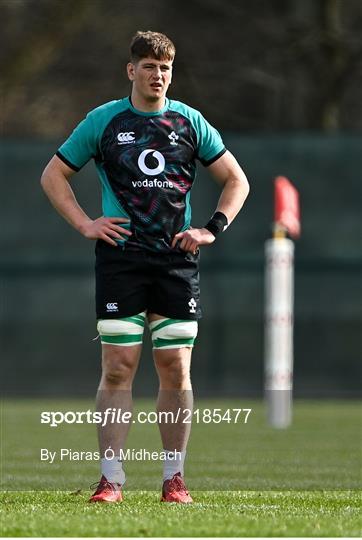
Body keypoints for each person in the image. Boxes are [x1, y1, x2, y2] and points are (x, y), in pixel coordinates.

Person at [40, 30, 249, 504]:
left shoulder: (190, 122)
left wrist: (212, 228)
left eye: (166, 68)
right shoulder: (104, 120)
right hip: (121, 261)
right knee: (118, 366)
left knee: (175, 365)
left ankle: (174, 478)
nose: (158, 75)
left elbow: (236, 180)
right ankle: (110, 479)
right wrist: (84, 224)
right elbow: (53, 174)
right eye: (150, 66)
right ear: (131, 70)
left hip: (177, 261)